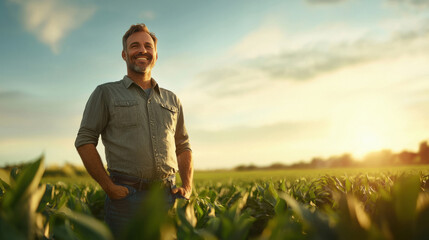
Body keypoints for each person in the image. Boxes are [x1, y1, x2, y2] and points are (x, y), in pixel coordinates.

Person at [74, 23, 193, 236]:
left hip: (167, 197)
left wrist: (188, 186)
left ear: (156, 54)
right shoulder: (105, 93)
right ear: (124, 54)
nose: (142, 50)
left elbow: (183, 145)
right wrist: (109, 187)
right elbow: (84, 141)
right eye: (134, 46)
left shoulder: (172, 99)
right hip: (126, 199)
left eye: (148, 46)